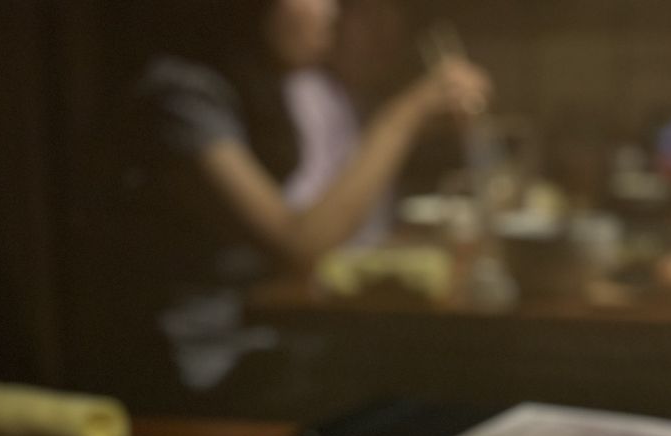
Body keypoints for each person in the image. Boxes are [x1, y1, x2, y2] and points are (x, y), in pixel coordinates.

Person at [103, 0, 492, 403]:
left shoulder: (263, 85)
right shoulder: (180, 97)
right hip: (207, 366)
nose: (331, 11)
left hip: (271, 344)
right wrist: (405, 115)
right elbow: (300, 242)